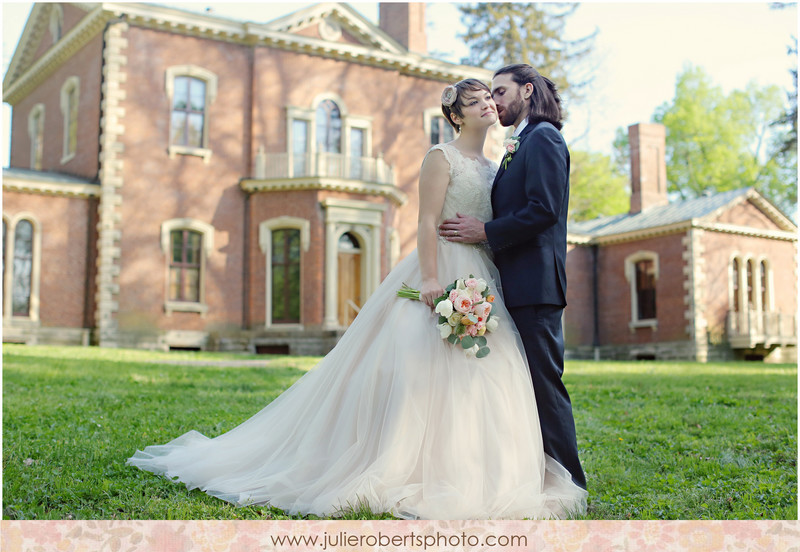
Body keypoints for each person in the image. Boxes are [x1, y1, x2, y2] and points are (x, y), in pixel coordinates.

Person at [127, 78, 587, 520]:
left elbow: (515, 216)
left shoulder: (496, 165)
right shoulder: (439, 157)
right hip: (442, 268)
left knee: (488, 373)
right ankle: (405, 463)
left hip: (483, 277)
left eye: (491, 97)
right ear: (455, 115)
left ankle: (483, 467)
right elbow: (427, 222)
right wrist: (430, 278)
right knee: (420, 368)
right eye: (476, 100)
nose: (489, 104)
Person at [438, 64, 587, 491]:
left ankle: (569, 482)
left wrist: (485, 232)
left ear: (527, 90)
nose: (494, 101)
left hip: (535, 284)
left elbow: (544, 209)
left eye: (500, 92)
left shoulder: (544, 137)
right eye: (489, 95)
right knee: (522, 384)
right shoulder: (520, 142)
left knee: (543, 382)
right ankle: (531, 473)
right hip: (513, 283)